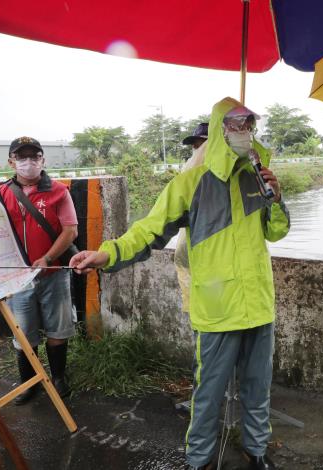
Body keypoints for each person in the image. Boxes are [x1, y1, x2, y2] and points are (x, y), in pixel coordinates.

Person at [70, 97, 290, 470]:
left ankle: (256, 450)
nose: (245, 133)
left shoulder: (257, 176)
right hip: (218, 310)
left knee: (257, 389)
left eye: (249, 125)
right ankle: (200, 459)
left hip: (259, 304)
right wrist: (107, 254)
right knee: (207, 394)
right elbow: (148, 230)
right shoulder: (191, 183)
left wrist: (277, 199)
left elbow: (277, 232)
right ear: (220, 130)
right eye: (237, 125)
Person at [0, 136, 78, 404]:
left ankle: (58, 379)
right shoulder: (1, 193)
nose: (29, 162)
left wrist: (47, 258)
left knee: (58, 330)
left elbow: (70, 231)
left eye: (34, 156)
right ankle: (29, 384)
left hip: (54, 273)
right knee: (24, 334)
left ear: (43, 160)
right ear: (11, 162)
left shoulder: (59, 191)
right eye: (22, 157)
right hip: (18, 279)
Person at [175, 122, 208, 316]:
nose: (197, 150)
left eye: (201, 145)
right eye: (195, 146)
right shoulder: (189, 172)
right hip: (192, 248)